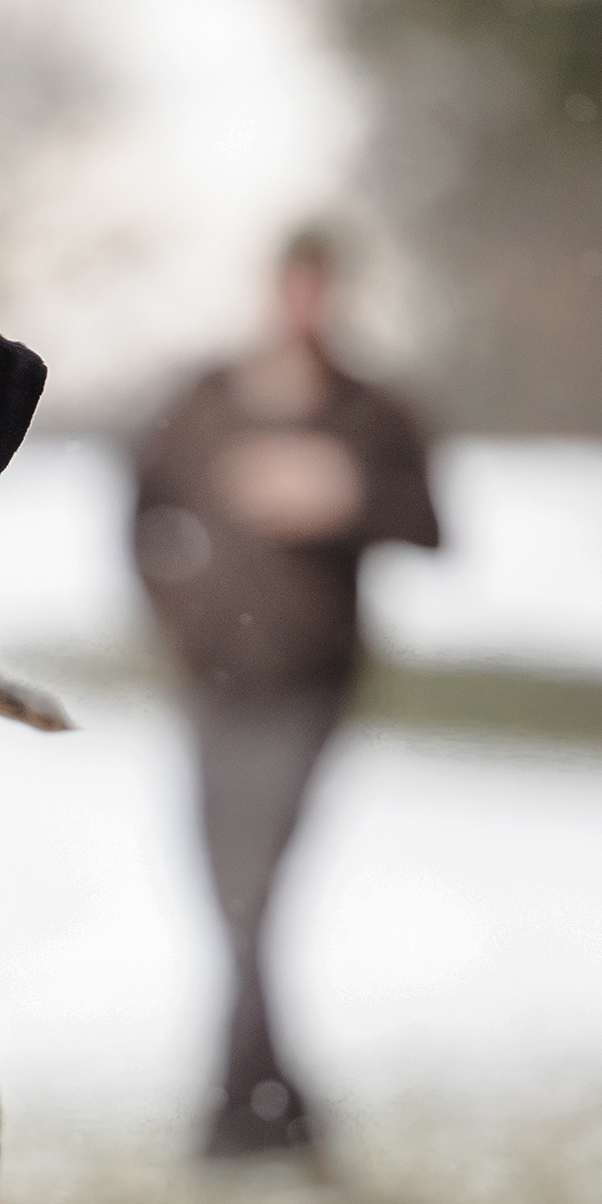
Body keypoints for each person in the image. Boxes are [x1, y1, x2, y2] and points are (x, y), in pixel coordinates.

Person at [134, 227, 440, 1157]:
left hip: (311, 679)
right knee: (223, 886)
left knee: (254, 888)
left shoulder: (371, 411)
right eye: (293, 288)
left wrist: (347, 499)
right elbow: (139, 506)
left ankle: (240, 1114)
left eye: (322, 290)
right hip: (212, 674)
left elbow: (432, 525)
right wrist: (173, 604)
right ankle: (274, 1106)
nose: (304, 307)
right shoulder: (205, 401)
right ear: (273, 291)